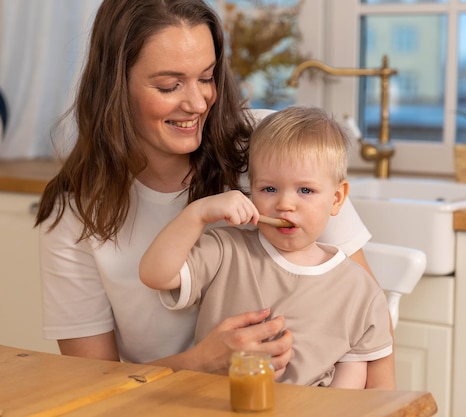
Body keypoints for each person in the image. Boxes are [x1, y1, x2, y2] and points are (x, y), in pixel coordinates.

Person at [35, 0, 395, 388]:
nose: (196, 103)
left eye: (206, 78)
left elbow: (371, 342)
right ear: (115, 86)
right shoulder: (74, 212)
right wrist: (199, 362)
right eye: (169, 85)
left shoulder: (272, 146)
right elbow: (93, 386)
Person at [139, 106, 394, 388]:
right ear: (252, 193)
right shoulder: (226, 251)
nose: (285, 204)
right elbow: (155, 274)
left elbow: (355, 388)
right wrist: (198, 214)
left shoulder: (359, 290)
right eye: (269, 189)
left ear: (336, 199)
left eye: (305, 190)